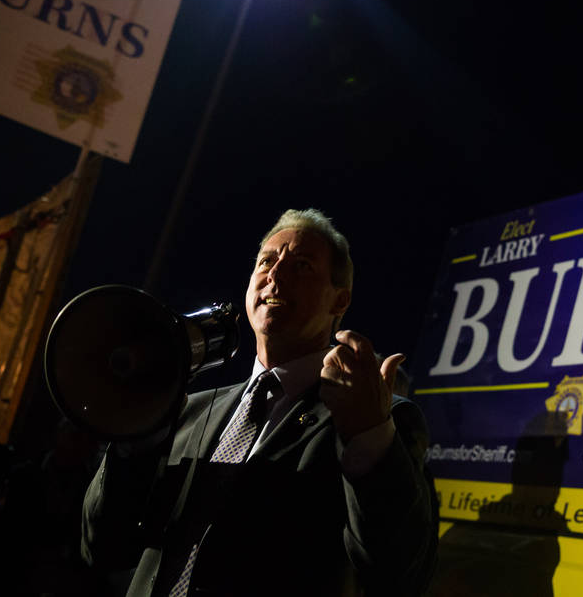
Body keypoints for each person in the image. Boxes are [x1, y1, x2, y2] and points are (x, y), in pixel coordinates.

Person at [81, 209, 438, 596]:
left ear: (340, 301)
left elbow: (398, 574)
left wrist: (370, 439)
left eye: (301, 266)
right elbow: (104, 548)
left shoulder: (377, 419)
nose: (276, 274)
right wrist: (136, 438)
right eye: (267, 261)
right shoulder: (185, 411)